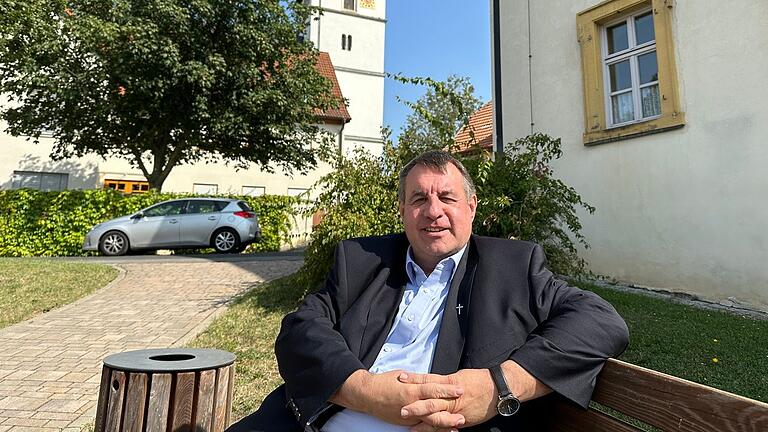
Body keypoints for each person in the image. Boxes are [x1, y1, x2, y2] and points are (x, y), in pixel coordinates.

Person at [228, 151, 629, 432]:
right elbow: (301, 328)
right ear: (402, 210)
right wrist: (363, 391)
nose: (433, 211)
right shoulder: (362, 260)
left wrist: (498, 386)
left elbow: (600, 321)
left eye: (447, 198)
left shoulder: (514, 266)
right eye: (418, 198)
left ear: (472, 207)